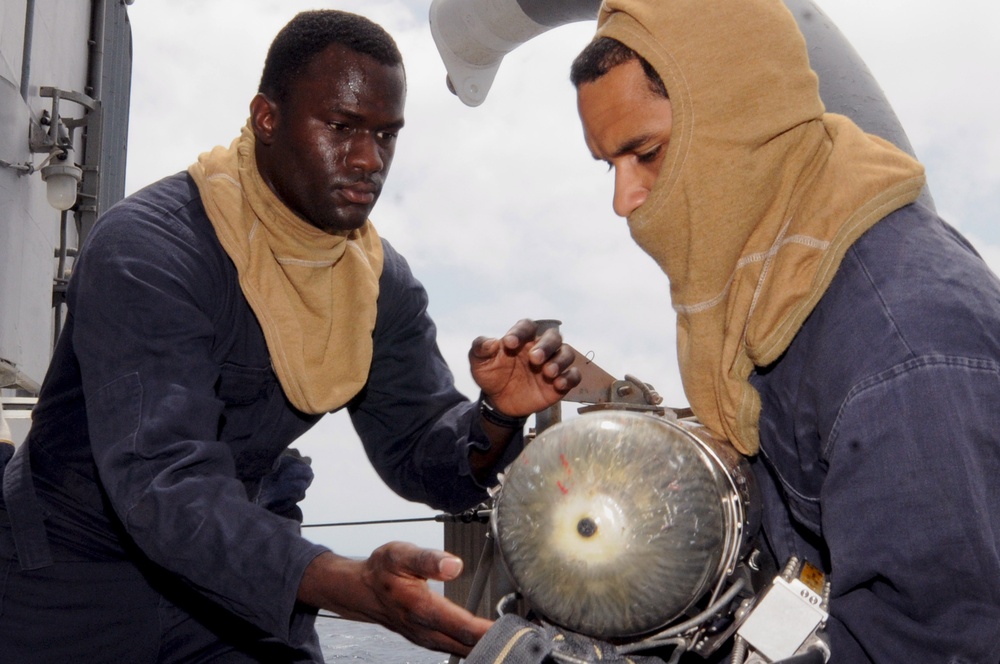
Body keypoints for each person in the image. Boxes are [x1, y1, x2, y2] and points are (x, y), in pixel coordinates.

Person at [0, 10, 580, 663]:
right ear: (266, 118)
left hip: (238, 575)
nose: (367, 159)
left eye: (385, 135)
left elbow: (425, 455)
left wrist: (497, 414)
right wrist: (347, 583)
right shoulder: (149, 250)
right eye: (341, 127)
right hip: (68, 575)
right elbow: (162, 480)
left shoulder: (378, 285)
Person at [567, 0, 1000, 661]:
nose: (624, 200)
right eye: (610, 166)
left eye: (646, 153)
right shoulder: (785, 283)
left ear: (738, 123)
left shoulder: (904, 352)